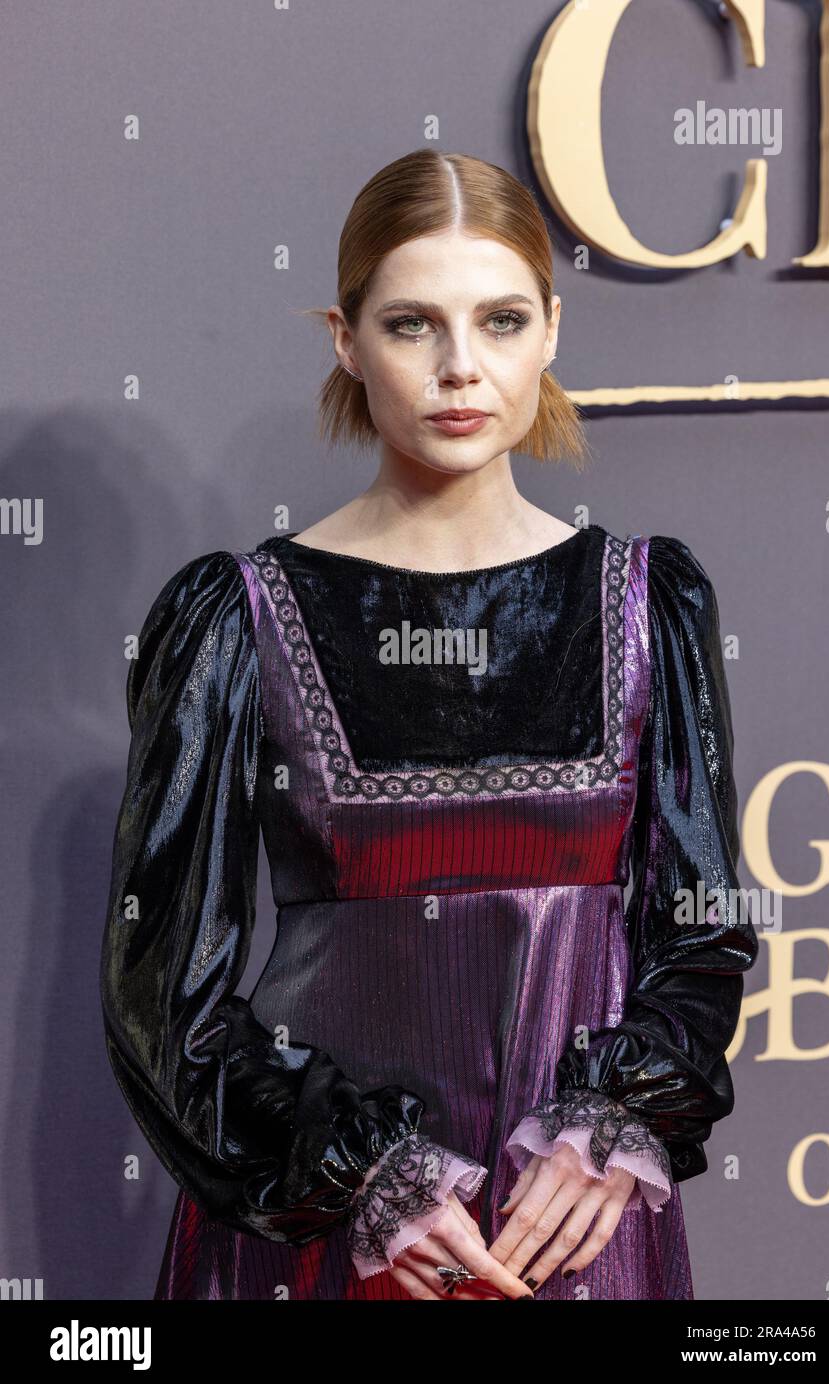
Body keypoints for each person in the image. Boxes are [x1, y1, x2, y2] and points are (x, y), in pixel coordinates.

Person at [100, 149, 760, 1301]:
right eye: (411, 325)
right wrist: (365, 1186)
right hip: (323, 1230)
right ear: (345, 341)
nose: (461, 368)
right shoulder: (237, 617)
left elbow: (698, 936)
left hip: (573, 1225)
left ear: (550, 330)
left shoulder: (648, 602)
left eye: (498, 319)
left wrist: (610, 1121)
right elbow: (163, 998)